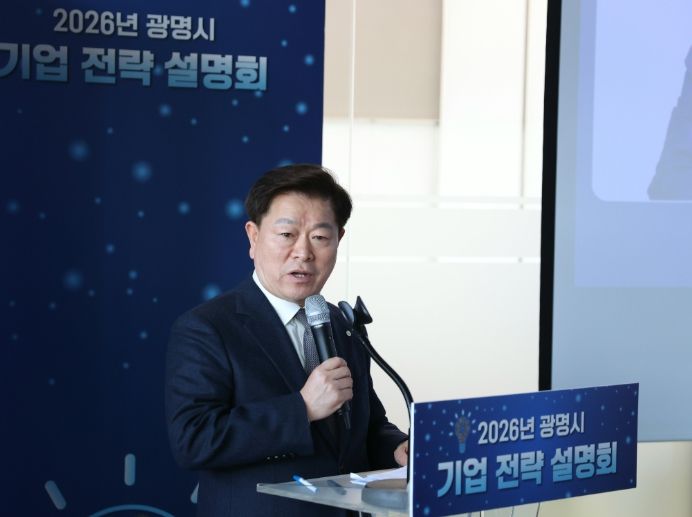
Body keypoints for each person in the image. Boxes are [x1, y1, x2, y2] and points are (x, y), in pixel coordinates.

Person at [165, 163, 409, 517]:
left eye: (320, 237)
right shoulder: (207, 327)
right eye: (286, 234)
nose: (303, 252)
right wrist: (302, 408)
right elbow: (193, 440)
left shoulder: (340, 323)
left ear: (339, 239)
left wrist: (397, 447)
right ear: (253, 237)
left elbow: (366, 425)